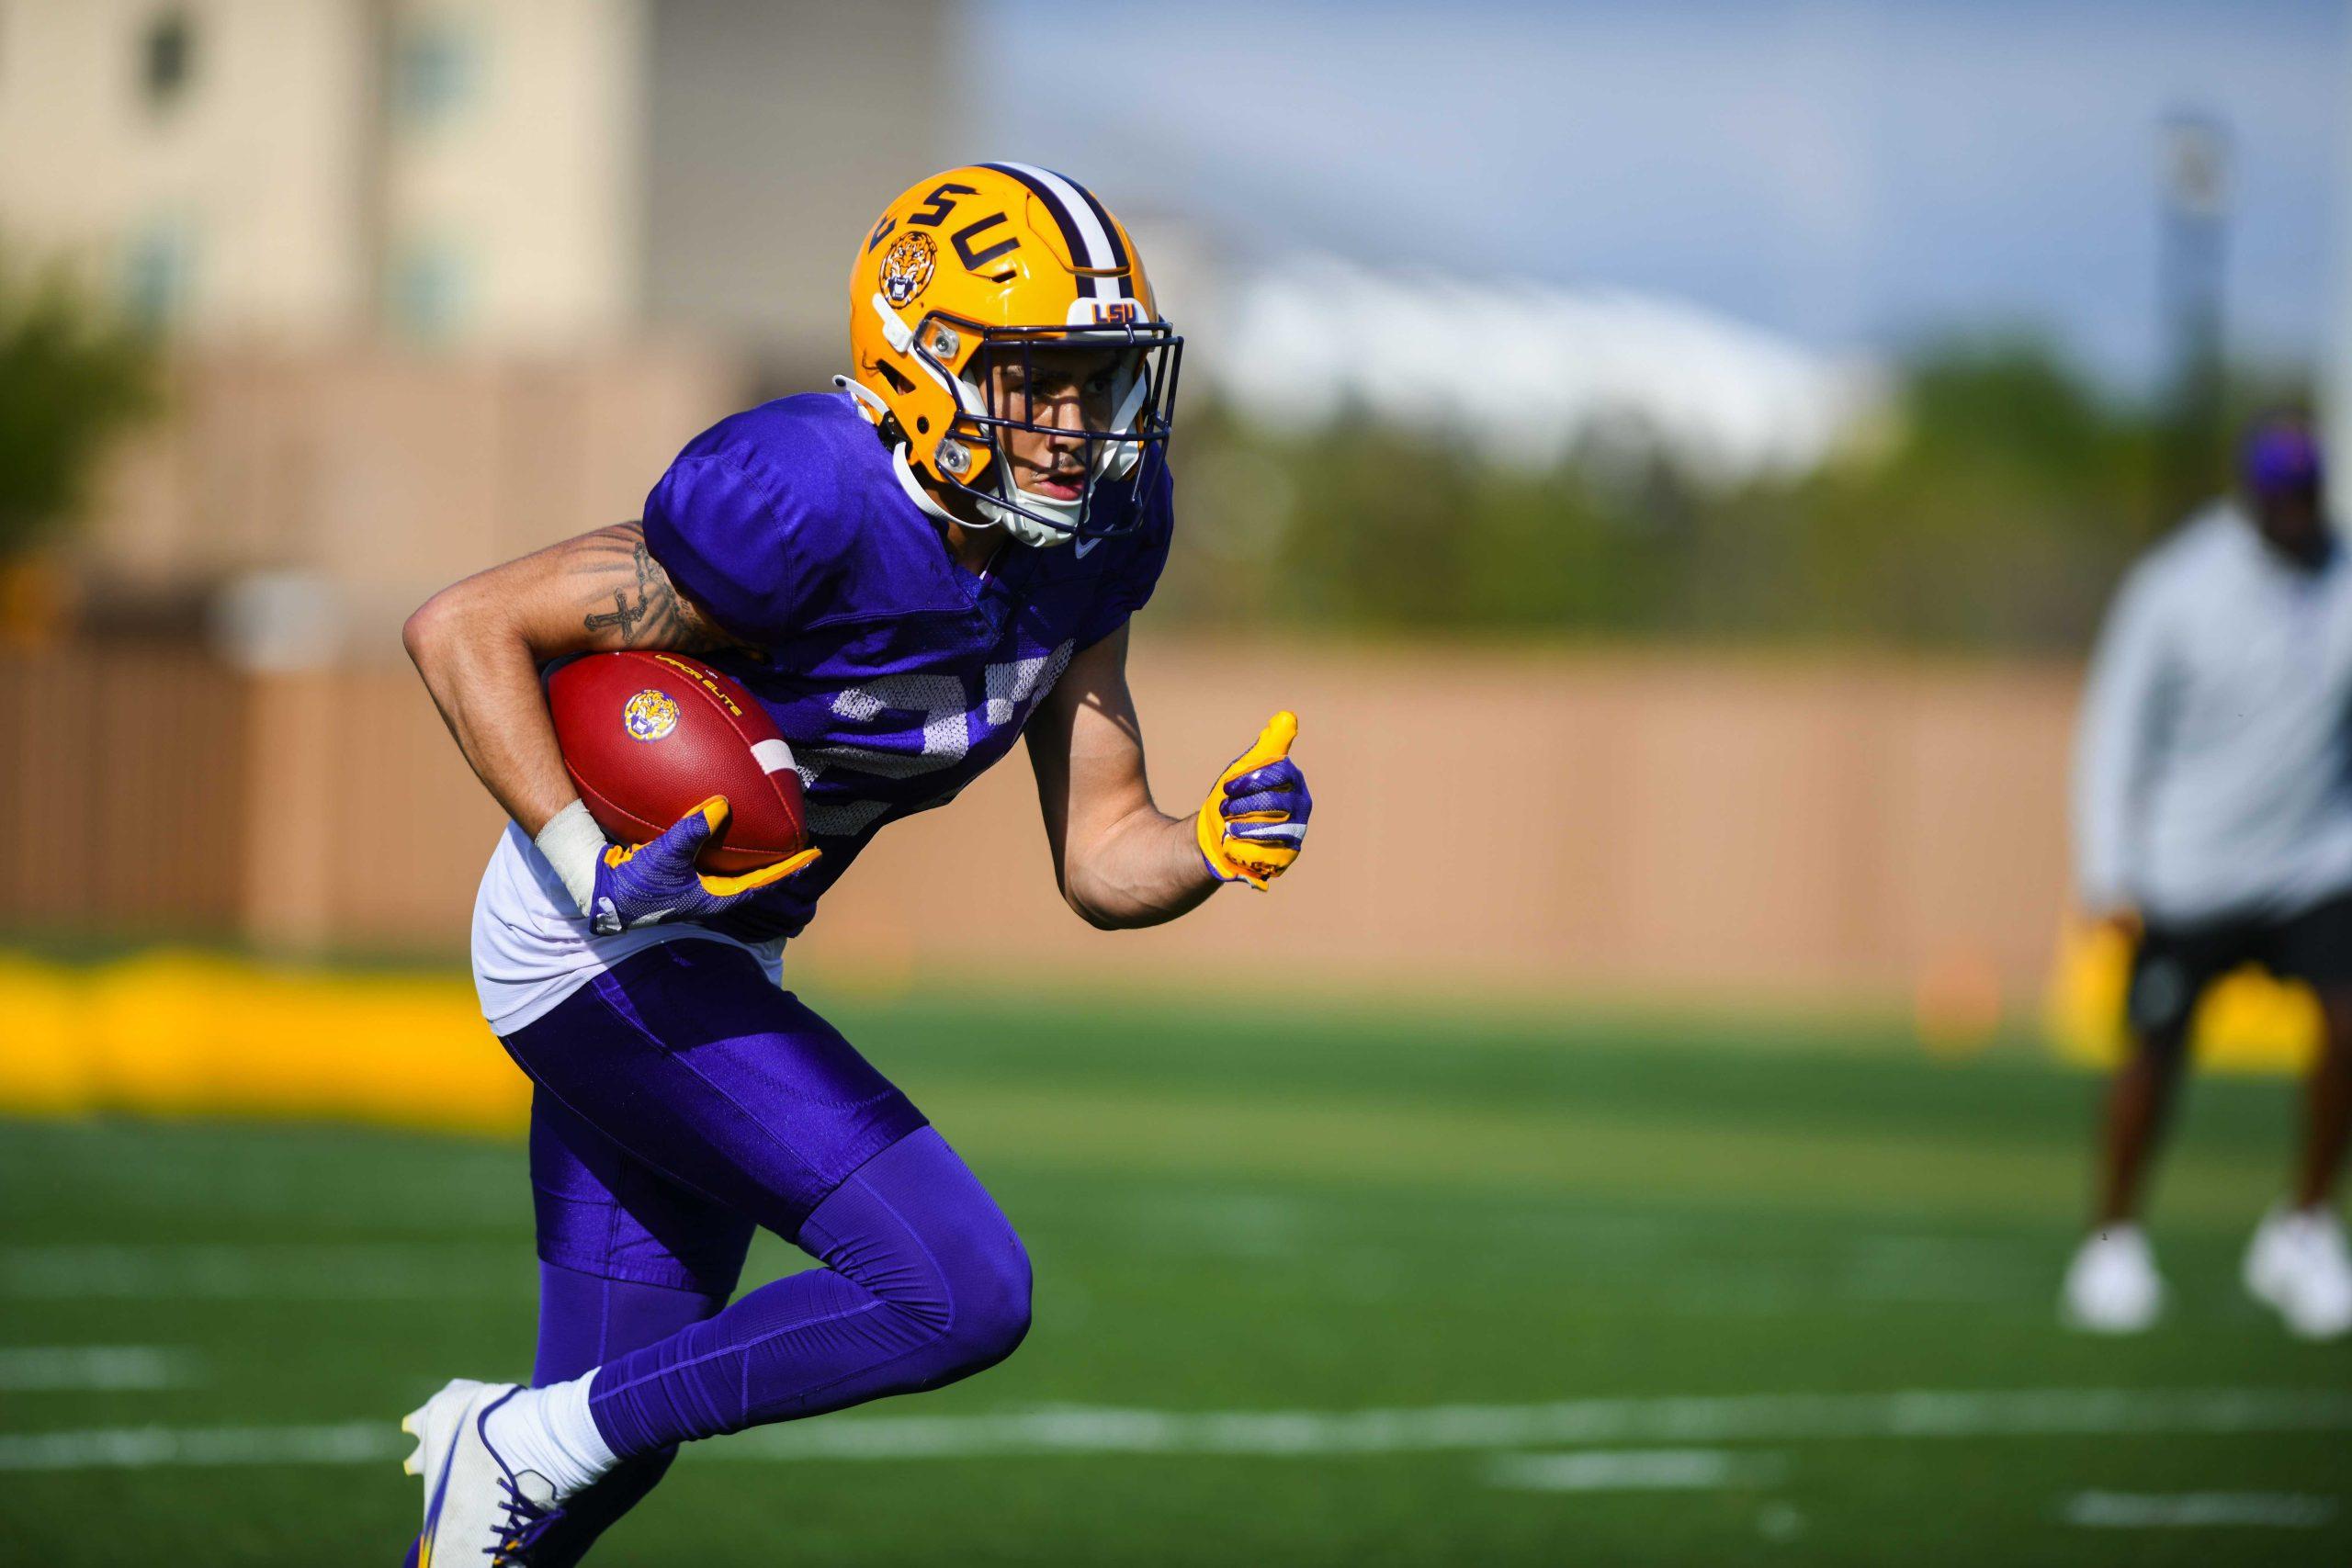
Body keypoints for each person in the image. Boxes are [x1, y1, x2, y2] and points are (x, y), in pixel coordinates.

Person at [396, 164, 1315, 1564]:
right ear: (929, 362)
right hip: (597, 933)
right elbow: (464, 626)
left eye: (1101, 380)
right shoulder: (805, 495)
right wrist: (586, 858)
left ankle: (517, 1456)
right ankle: (508, 1437)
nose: (1080, 426)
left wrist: (1211, 844)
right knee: (957, 1284)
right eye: (1041, 380)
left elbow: (1103, 852)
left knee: (589, 1464)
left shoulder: (1095, 541)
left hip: (716, 949)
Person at [2061, 414, 2352, 1340]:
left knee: (2349, 1020)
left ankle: (2301, 1227)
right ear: (2249, 497)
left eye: (2307, 492)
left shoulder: (2344, 578)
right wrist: (2109, 873)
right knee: (2153, 1053)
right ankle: (2111, 1241)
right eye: (2280, 495)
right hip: (2189, 871)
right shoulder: (2176, 588)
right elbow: (2114, 733)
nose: (2295, 511)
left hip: (2314, 864)